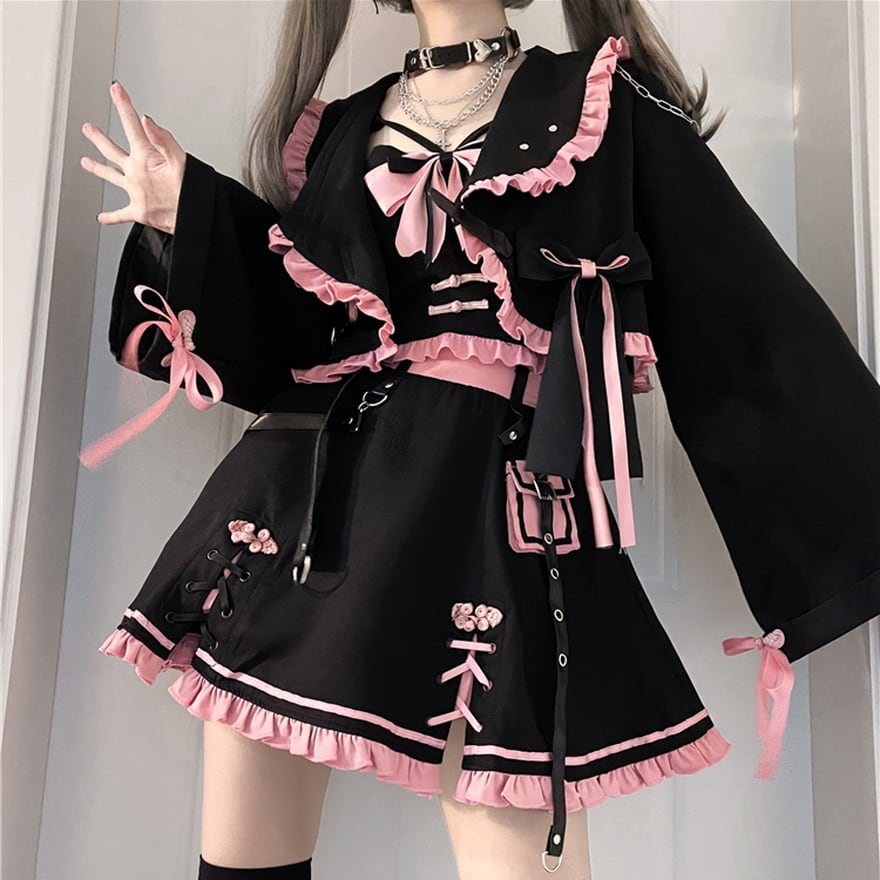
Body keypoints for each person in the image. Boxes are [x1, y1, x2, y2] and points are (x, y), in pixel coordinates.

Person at [78, 0, 880, 878]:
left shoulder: (601, 105)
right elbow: (297, 340)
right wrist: (190, 208)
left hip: (496, 517)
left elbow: (744, 323)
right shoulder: (343, 129)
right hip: (306, 514)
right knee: (244, 853)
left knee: (510, 810)